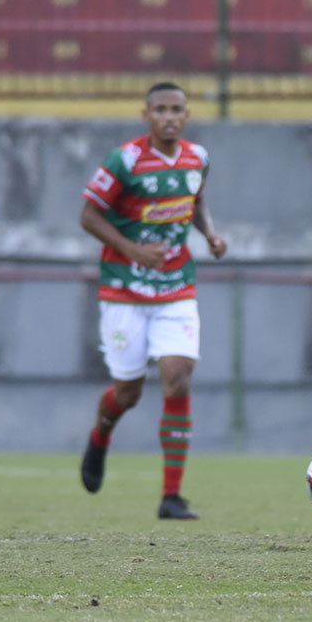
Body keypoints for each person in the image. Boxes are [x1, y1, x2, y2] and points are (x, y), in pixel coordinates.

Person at [78, 81, 227, 520]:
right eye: (160, 109)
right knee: (128, 392)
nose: (169, 116)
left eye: (176, 109)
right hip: (124, 287)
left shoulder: (197, 157)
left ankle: (171, 496)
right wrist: (132, 249)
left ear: (186, 115)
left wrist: (211, 234)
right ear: (146, 114)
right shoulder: (124, 160)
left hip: (175, 284)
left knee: (177, 377)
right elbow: (88, 215)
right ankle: (101, 435)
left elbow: (194, 202)